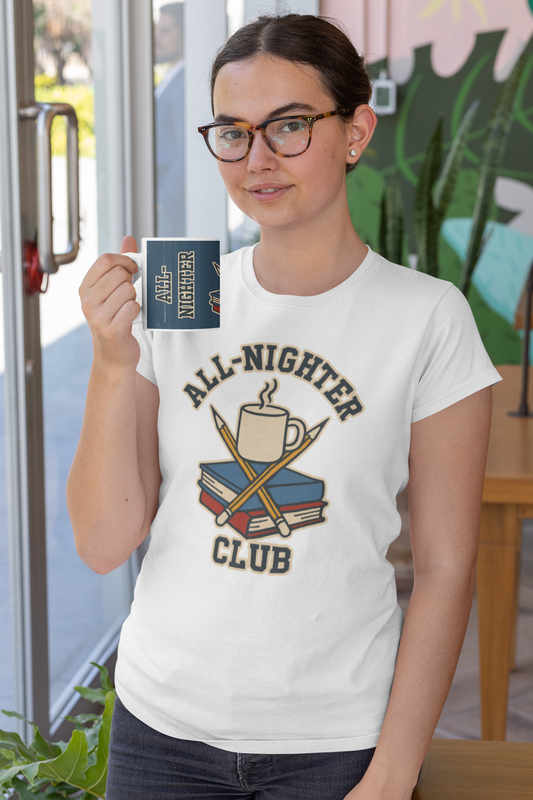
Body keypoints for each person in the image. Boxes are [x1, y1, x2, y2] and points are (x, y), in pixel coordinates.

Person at [67, 13, 502, 800]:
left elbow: (444, 567)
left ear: (355, 132)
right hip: (160, 729)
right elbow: (104, 541)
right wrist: (112, 362)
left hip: (337, 742)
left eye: (289, 126)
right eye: (232, 132)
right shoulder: (186, 291)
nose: (256, 159)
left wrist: (392, 772)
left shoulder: (425, 316)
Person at [154, 2, 185, 236]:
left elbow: (185, 151)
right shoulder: (171, 77)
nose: (157, 38)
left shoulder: (183, 83)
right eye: (157, 30)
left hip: (169, 205)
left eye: (165, 31)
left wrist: (164, 201)